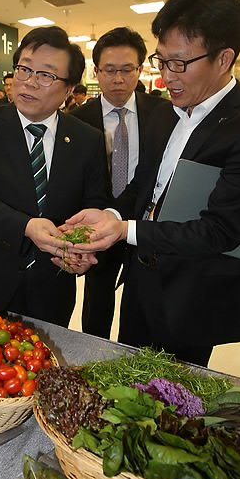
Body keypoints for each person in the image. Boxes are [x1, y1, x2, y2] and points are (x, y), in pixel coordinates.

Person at [64, 0, 240, 367]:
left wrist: (126, 231)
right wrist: (111, 215)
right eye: (162, 61)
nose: (167, 76)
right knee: (128, 373)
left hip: (194, 295)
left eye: (180, 63)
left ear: (224, 59)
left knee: (172, 391)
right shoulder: (166, 113)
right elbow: (144, 186)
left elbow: (220, 230)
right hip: (142, 282)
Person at [0, 26, 108, 327]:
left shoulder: (88, 139)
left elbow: (94, 205)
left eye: (46, 75)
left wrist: (81, 252)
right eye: (24, 69)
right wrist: (26, 226)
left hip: (52, 285)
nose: (29, 82)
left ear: (69, 88)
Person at [72, 27, 169, 339]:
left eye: (127, 70)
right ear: (96, 71)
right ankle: (94, 352)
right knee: (97, 301)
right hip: (98, 222)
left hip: (143, 224)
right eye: (109, 70)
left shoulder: (163, 114)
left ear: (140, 70)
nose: (118, 79)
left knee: (141, 303)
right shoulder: (78, 119)